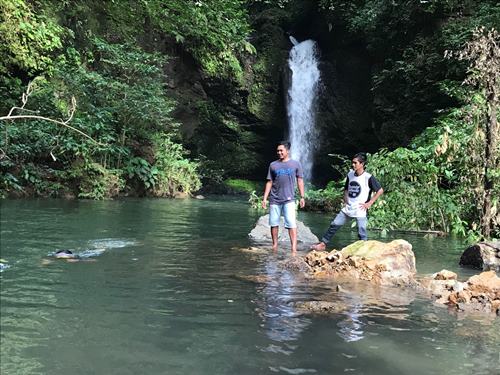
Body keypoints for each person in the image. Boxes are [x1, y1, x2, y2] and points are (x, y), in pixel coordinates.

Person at [310, 152, 383, 251]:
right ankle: (323, 244)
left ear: (362, 164)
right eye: (352, 162)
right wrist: (345, 199)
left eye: (355, 163)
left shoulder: (368, 177)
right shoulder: (350, 174)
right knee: (334, 224)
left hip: (361, 208)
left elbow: (380, 190)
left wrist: (369, 203)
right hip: (349, 206)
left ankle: (364, 250)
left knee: (361, 231)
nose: (353, 165)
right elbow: (346, 188)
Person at [262, 141, 305, 254]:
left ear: (287, 151)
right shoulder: (273, 165)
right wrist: (265, 198)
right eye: (278, 151)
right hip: (274, 199)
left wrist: (302, 197)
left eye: (281, 150)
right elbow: (269, 182)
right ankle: (275, 245)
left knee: (291, 223)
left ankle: (293, 248)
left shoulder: (296, 164)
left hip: (289, 199)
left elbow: (300, 180)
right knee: (274, 223)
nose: (279, 152)